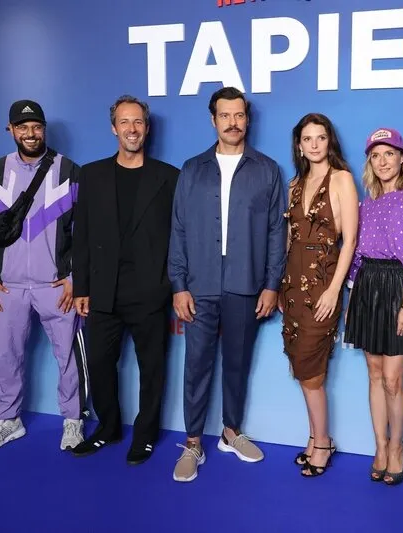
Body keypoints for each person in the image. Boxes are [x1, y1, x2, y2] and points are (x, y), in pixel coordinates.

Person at [168, 86, 287, 482]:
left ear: (247, 119)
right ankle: (192, 444)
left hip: (246, 282)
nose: (233, 122)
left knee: (237, 363)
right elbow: (179, 230)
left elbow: (275, 232)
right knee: (196, 365)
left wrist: (272, 284)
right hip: (199, 282)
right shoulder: (191, 169)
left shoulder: (268, 170)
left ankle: (231, 432)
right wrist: (179, 284)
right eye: (225, 115)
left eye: (239, 115)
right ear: (213, 119)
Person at [70, 95, 180, 466]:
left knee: (153, 370)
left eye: (138, 122)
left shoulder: (169, 177)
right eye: (124, 122)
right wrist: (81, 287)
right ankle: (108, 428)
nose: (132, 129)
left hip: (150, 292)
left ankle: (145, 435)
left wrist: (170, 284)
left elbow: (178, 237)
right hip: (103, 291)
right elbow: (81, 235)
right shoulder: (92, 174)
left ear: (147, 128)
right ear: (113, 128)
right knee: (100, 364)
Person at [0, 99, 87, 452]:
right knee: (6, 355)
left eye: (36, 127)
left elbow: (85, 231)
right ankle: (7, 421)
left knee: (68, 355)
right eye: (22, 127)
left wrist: (75, 278)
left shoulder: (69, 170)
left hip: (56, 286)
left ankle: (73, 421)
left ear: (44, 130)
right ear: (11, 130)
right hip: (8, 287)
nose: (30, 133)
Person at [344, 128, 403, 486]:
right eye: (375, 156)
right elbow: (356, 258)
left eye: (389, 154)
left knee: (394, 379)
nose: (383, 162)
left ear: (401, 159)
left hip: (400, 286)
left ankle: (397, 446)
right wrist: (352, 301)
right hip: (368, 286)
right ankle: (379, 446)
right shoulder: (365, 204)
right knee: (374, 374)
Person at [279, 113, 359, 477]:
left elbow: (350, 241)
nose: (314, 144)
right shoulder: (294, 183)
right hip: (292, 284)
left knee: (312, 370)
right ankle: (314, 438)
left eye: (320, 137)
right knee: (300, 365)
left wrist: (333, 290)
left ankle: (323, 442)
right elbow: (290, 237)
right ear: (299, 144)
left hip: (324, 282)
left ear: (330, 142)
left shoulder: (341, 178)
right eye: (307, 138)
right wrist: (281, 284)